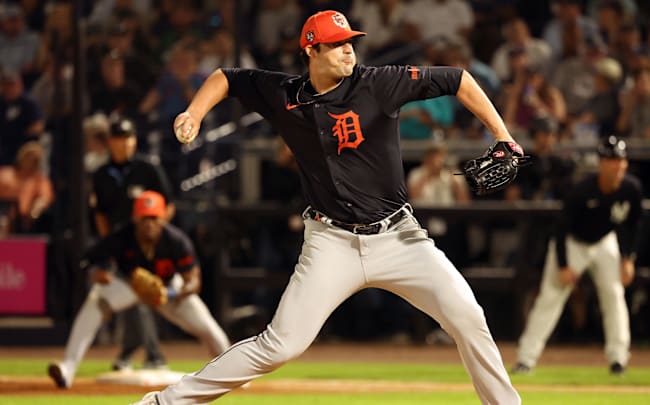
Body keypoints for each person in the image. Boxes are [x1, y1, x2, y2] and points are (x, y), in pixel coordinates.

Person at [132, 10, 523, 405]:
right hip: (330, 242)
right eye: (336, 44)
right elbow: (227, 78)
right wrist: (194, 113)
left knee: (469, 318)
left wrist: (503, 135)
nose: (348, 51)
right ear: (311, 49)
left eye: (350, 42)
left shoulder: (378, 84)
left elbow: (458, 79)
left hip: (401, 239)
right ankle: (163, 403)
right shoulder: (283, 94)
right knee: (280, 346)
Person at [48, 191, 230, 389]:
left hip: (167, 289)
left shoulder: (176, 240)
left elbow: (194, 281)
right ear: (135, 218)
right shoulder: (121, 237)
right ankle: (68, 368)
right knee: (96, 301)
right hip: (128, 285)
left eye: (153, 218)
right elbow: (87, 260)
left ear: (163, 218)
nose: (149, 223)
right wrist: (96, 273)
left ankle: (232, 372)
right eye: (144, 218)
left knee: (208, 327)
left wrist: (169, 294)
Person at [512, 135, 643, 376]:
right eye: (611, 160)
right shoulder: (583, 190)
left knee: (614, 295)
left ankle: (618, 359)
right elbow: (561, 229)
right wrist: (563, 265)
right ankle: (525, 359)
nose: (617, 165)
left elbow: (634, 225)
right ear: (601, 163)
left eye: (620, 160)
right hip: (572, 243)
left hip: (605, 242)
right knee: (550, 298)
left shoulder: (631, 189)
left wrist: (628, 258)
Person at [91, 115, 176, 371]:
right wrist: (109, 245)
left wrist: (154, 234)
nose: (125, 143)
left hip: (149, 245)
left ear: (134, 140)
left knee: (140, 297)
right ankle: (140, 354)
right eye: (119, 138)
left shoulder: (147, 168)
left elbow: (168, 206)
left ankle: (148, 355)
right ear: (110, 142)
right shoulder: (102, 174)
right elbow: (101, 215)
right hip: (121, 245)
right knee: (134, 299)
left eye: (128, 137)